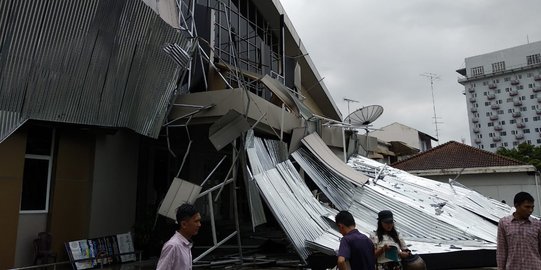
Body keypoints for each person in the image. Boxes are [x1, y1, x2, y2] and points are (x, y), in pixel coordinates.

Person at [497, 191, 541, 270]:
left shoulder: (537, 224)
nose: (530, 210)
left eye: (532, 207)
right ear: (516, 206)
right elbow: (502, 250)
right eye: (527, 207)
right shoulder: (504, 223)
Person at [157, 203, 201, 270]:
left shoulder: (186, 245)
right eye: (196, 221)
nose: (199, 225)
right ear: (184, 224)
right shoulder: (173, 246)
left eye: (199, 221)